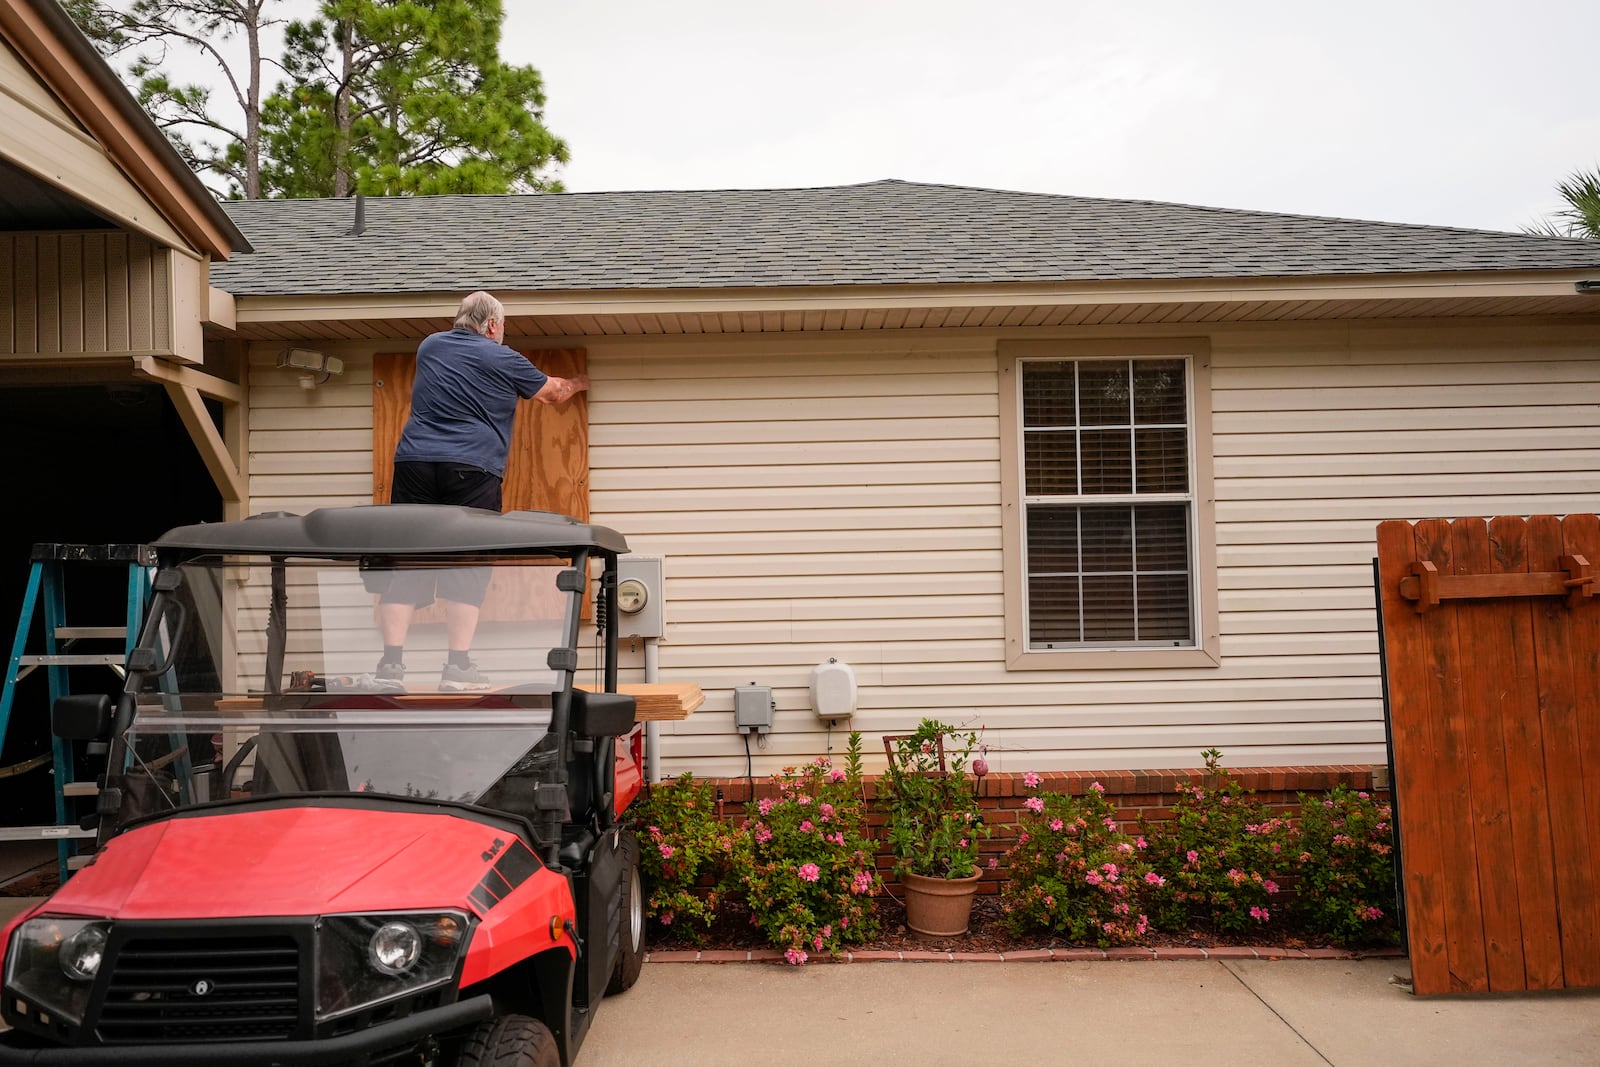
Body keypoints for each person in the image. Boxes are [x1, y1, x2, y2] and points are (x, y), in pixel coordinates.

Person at [374, 291, 588, 691]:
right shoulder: (502, 358)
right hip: (470, 468)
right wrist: (578, 382)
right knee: (467, 562)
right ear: (492, 325)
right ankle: (456, 668)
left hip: (414, 462)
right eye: (503, 327)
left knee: (407, 560)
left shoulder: (430, 346)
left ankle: (390, 667)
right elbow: (552, 393)